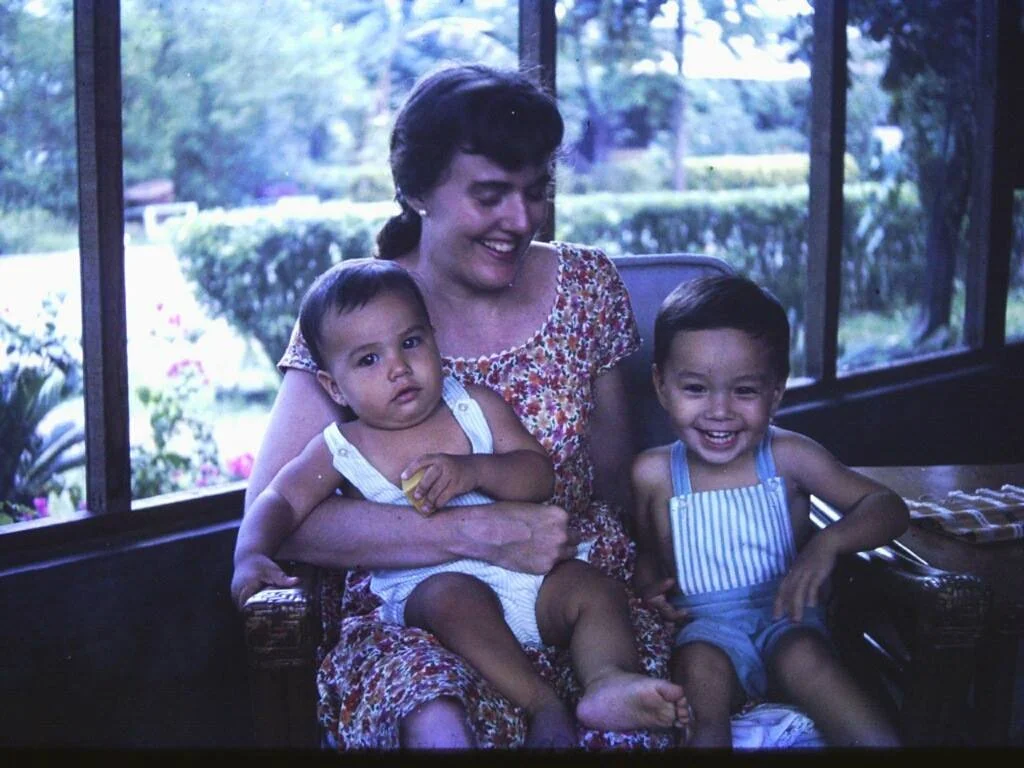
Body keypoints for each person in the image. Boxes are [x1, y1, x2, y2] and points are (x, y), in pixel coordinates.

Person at [239, 63, 679, 749]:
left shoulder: (589, 285)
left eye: (536, 192)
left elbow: (615, 485)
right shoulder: (356, 318)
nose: (522, 218)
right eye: (490, 194)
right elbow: (282, 518)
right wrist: (477, 532)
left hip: (572, 598)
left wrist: (653, 557)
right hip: (425, 622)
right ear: (417, 191)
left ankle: (604, 690)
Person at [232, 258, 688, 746]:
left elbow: (537, 476)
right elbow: (279, 498)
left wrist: (476, 469)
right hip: (430, 592)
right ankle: (542, 703)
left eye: (410, 343)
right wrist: (250, 554)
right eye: (368, 360)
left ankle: (608, 680)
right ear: (332, 386)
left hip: (529, 580)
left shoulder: (472, 406)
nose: (398, 368)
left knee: (593, 589)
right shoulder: (340, 447)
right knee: (452, 596)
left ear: (433, 339)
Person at [630, 273, 909, 748]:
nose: (720, 411)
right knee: (699, 677)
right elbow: (645, 558)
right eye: (695, 388)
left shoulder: (789, 457)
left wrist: (828, 542)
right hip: (706, 630)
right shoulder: (652, 474)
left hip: (789, 617)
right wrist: (646, 589)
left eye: (744, 391)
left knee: (806, 659)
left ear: (776, 392)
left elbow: (888, 506)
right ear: (661, 385)